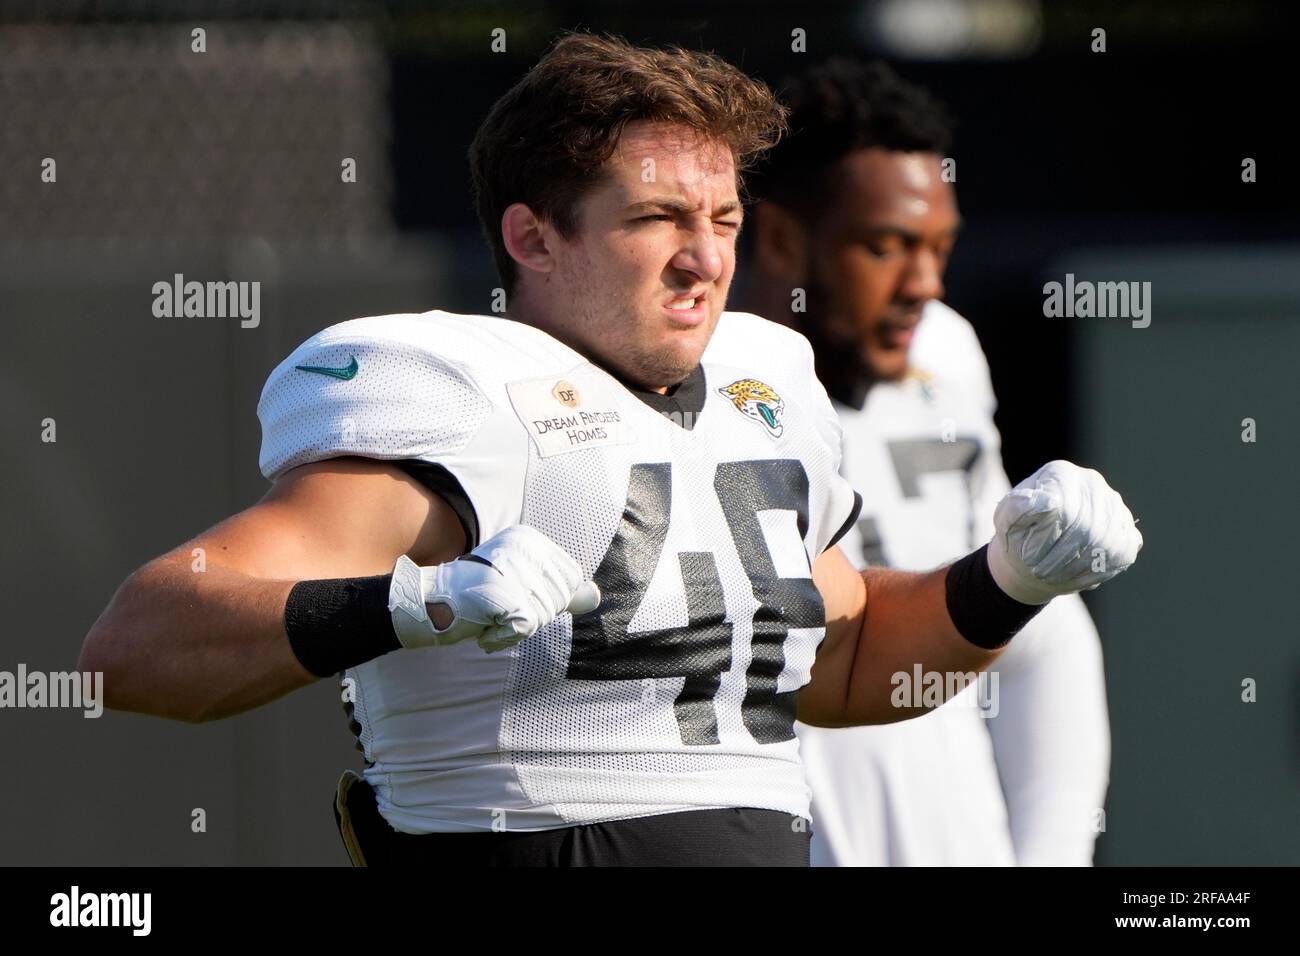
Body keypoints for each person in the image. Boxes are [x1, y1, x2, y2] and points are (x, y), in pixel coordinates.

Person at [78, 32, 1140, 867]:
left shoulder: (765, 383)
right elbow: (133, 649)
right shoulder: (458, 391)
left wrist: (1007, 579)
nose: (705, 258)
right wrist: (410, 603)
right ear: (534, 237)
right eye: (657, 218)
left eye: (723, 217)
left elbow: (852, 662)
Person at [745, 59, 1111, 866]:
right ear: (777, 238)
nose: (926, 283)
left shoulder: (945, 351)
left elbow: (1040, 636)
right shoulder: (699, 390)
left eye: (940, 247)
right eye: (887, 247)